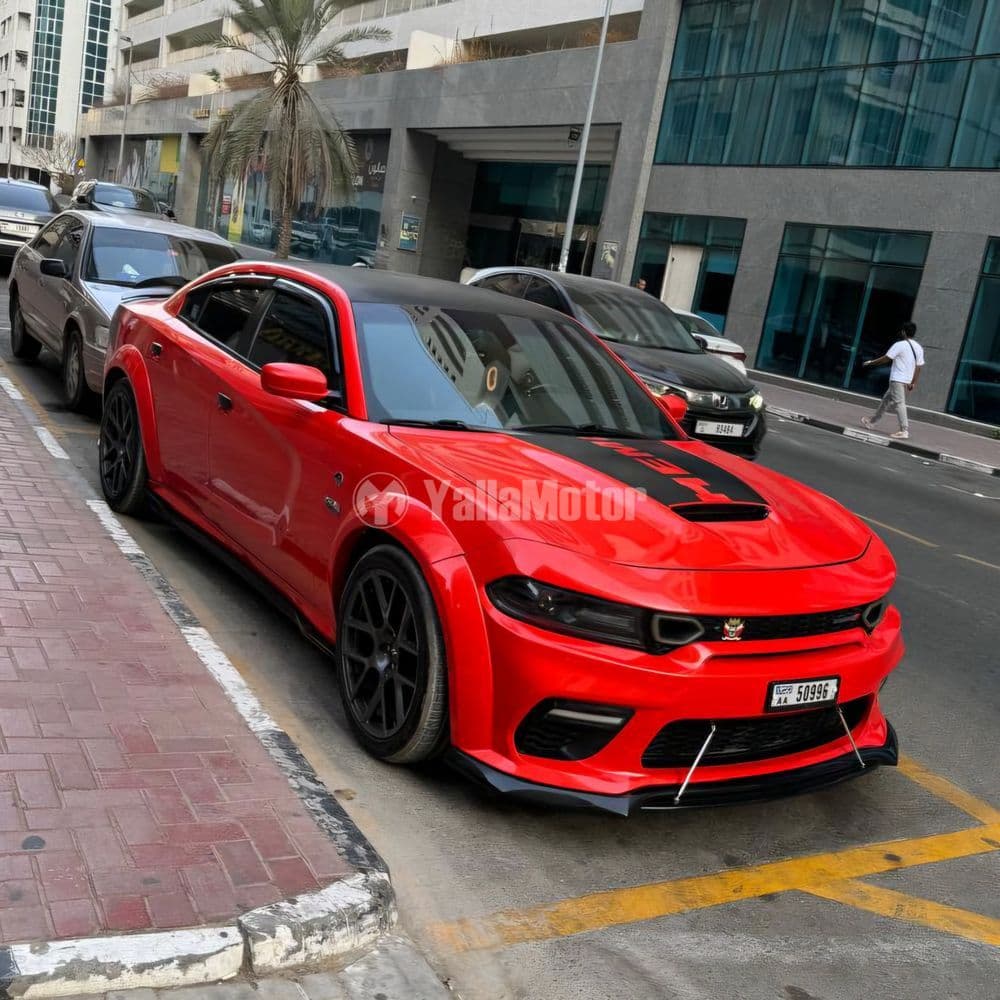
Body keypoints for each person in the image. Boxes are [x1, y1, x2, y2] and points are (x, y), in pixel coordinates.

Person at [860, 321, 924, 440]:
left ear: (904, 332)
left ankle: (904, 430)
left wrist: (871, 363)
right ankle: (872, 421)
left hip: (897, 379)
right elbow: (919, 366)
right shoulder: (918, 348)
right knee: (886, 400)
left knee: (899, 403)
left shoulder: (899, 345)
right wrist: (913, 382)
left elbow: (886, 359)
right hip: (905, 380)